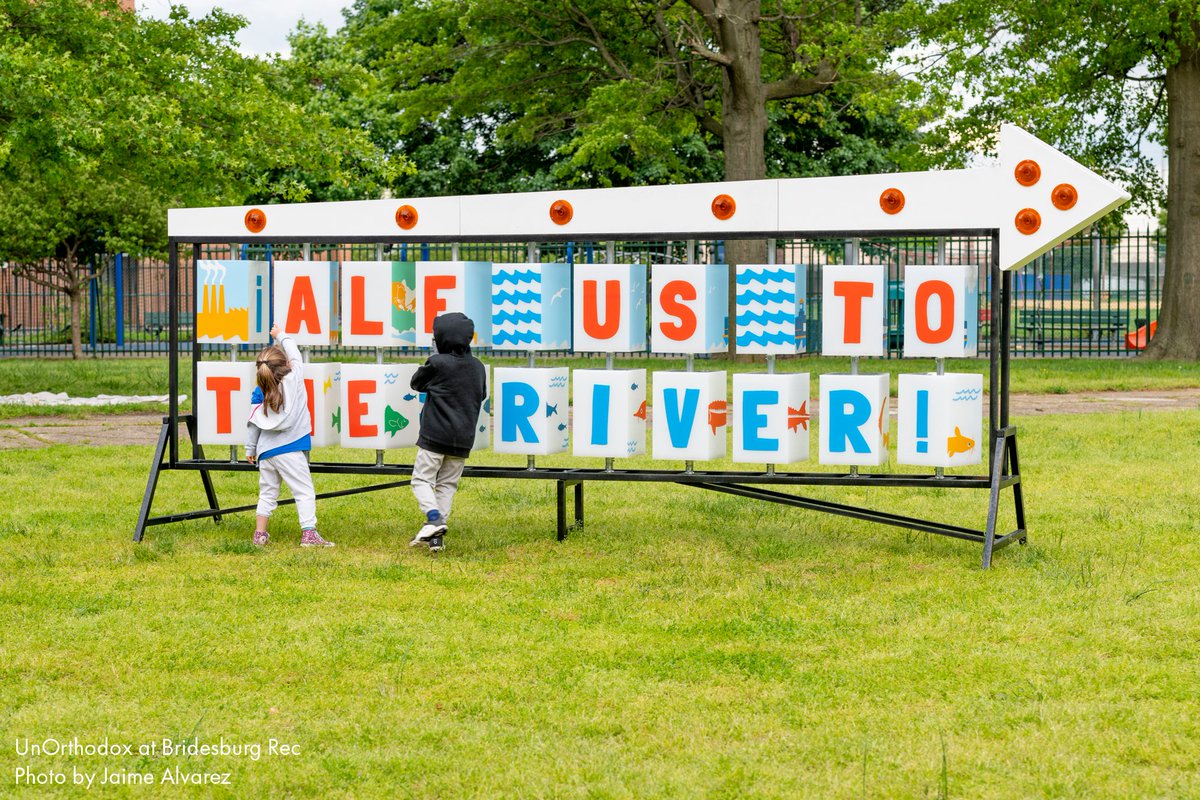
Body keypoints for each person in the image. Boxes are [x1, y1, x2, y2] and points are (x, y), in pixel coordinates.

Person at [246, 324, 334, 548]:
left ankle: (260, 534)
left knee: (267, 493)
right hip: (292, 448)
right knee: (304, 491)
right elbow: (294, 352)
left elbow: (254, 424)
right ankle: (309, 534)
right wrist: (280, 335)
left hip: (266, 451)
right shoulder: (294, 378)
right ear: (285, 365)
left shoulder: (261, 390)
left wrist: (250, 449)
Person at [408, 311, 487, 552]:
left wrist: (434, 358)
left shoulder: (437, 363)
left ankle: (433, 517)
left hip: (434, 436)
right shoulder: (478, 367)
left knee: (421, 480)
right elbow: (481, 394)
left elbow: (416, 383)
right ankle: (436, 538)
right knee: (447, 485)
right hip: (463, 439)